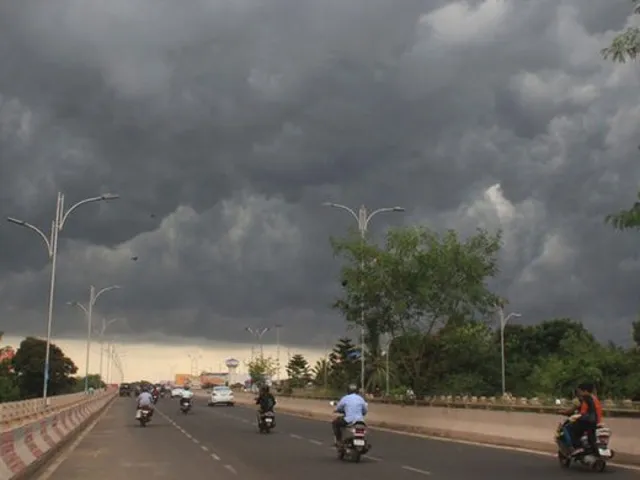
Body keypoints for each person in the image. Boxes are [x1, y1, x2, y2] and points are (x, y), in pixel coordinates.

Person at [567, 382, 602, 456]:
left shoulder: (586, 399)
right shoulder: (595, 399)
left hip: (588, 421)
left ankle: (578, 447)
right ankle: (594, 451)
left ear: (585, 391)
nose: (579, 393)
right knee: (591, 438)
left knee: (571, 428)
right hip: (596, 421)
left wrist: (577, 417)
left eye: (580, 391)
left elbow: (583, 413)